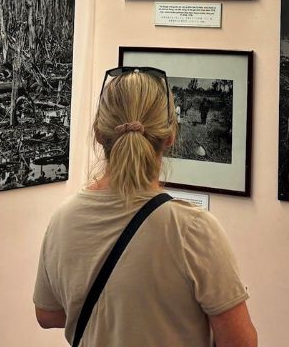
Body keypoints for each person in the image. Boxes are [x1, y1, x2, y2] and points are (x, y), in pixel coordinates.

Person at [33, 68, 258, 347]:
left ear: (99, 134)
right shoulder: (193, 230)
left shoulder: (62, 219)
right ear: (170, 137)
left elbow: (46, 314)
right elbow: (241, 343)